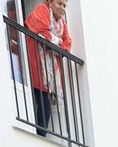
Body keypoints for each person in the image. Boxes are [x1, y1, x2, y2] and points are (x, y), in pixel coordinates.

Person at [24, 0, 74, 139]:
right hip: (35, 62)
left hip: (49, 73)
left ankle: (40, 136)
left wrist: (56, 43)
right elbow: (41, 31)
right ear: (50, 2)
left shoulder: (62, 24)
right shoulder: (42, 10)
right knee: (33, 96)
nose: (62, 8)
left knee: (44, 103)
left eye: (64, 5)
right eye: (59, 3)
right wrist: (58, 42)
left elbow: (67, 45)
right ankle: (31, 134)